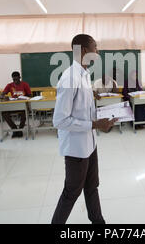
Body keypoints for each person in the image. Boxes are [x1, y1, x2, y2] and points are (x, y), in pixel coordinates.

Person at [51, 34, 117, 224]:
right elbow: (60, 120)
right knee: (71, 192)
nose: (98, 52)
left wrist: (101, 119)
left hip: (90, 143)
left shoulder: (84, 75)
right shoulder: (69, 78)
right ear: (86, 51)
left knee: (92, 186)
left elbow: (83, 110)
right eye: (96, 48)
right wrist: (95, 124)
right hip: (76, 148)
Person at [0, 71, 32, 138]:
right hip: (12, 106)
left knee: (24, 113)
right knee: (4, 113)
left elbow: (30, 95)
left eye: (17, 79)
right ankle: (14, 129)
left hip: (23, 106)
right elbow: (2, 94)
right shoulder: (9, 85)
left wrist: (24, 97)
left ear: (20, 77)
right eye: (14, 80)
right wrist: (3, 96)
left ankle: (20, 129)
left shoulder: (25, 84)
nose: (15, 81)